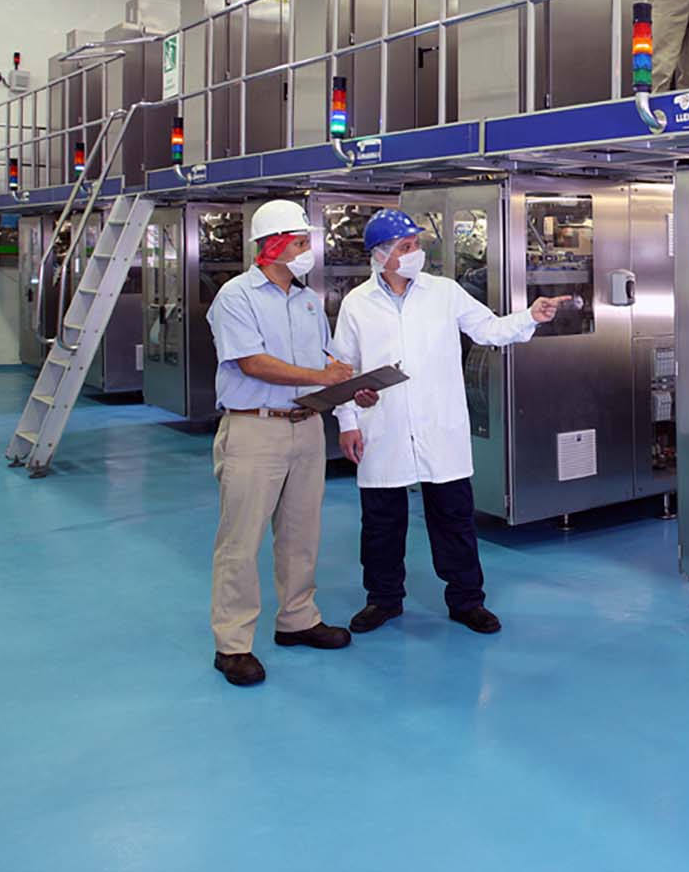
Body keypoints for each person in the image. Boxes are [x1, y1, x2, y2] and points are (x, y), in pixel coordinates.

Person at [329, 208, 569, 638]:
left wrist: (531, 316)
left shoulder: (443, 292)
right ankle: (382, 599)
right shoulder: (356, 305)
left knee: (454, 519)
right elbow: (343, 368)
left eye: (416, 245)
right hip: (381, 425)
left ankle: (466, 600)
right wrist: (347, 420)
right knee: (381, 522)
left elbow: (489, 330)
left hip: (440, 426)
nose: (416, 253)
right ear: (381, 255)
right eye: (406, 247)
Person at [203, 198, 355, 687]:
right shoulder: (235, 297)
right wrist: (321, 374)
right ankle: (233, 644)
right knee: (240, 540)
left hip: (306, 426)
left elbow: (329, 360)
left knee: (300, 533)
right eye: (300, 242)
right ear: (273, 247)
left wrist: (352, 388)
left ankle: (297, 619)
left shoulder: (309, 300)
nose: (307, 250)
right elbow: (253, 363)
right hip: (254, 428)